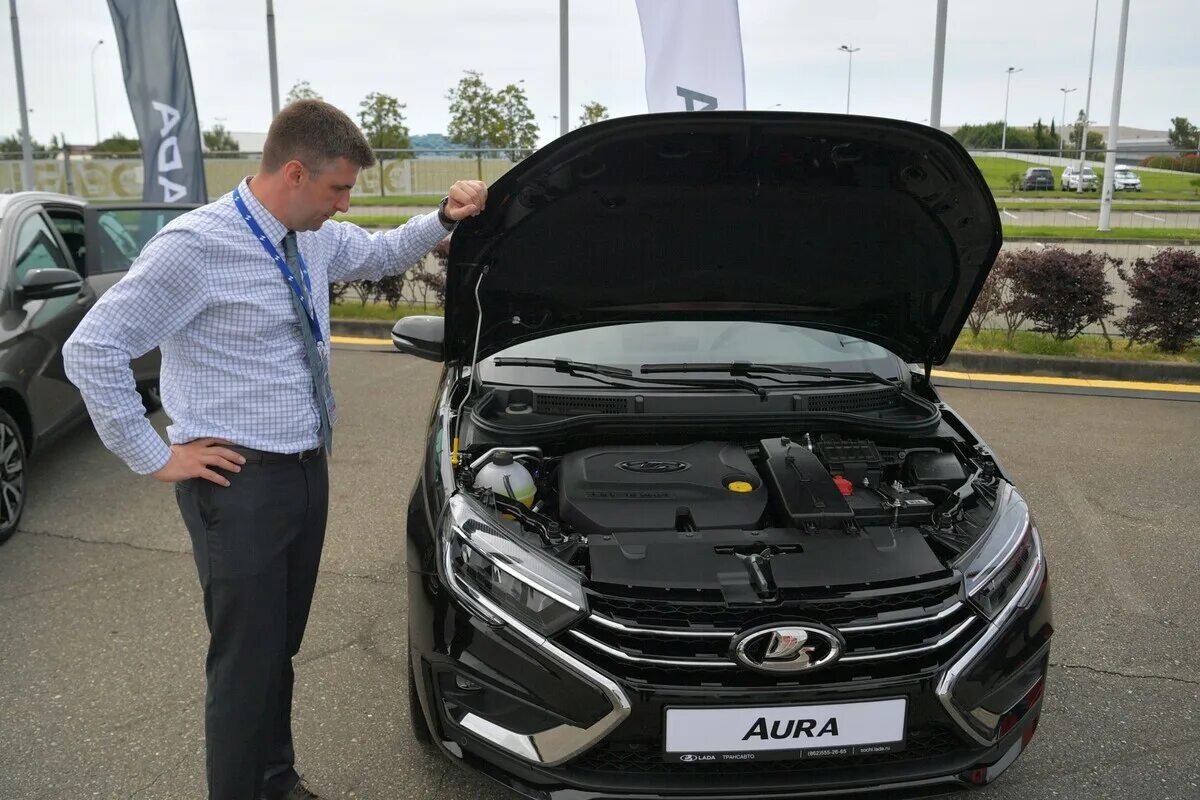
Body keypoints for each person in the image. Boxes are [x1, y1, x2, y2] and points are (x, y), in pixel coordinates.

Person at [63, 99, 487, 800]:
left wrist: (444, 218)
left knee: (276, 652)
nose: (345, 203)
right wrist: (153, 454)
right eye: (338, 189)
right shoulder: (194, 247)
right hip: (239, 486)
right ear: (293, 172)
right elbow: (93, 349)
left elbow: (381, 251)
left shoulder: (309, 236)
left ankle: (275, 779)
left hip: (302, 469)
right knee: (244, 664)